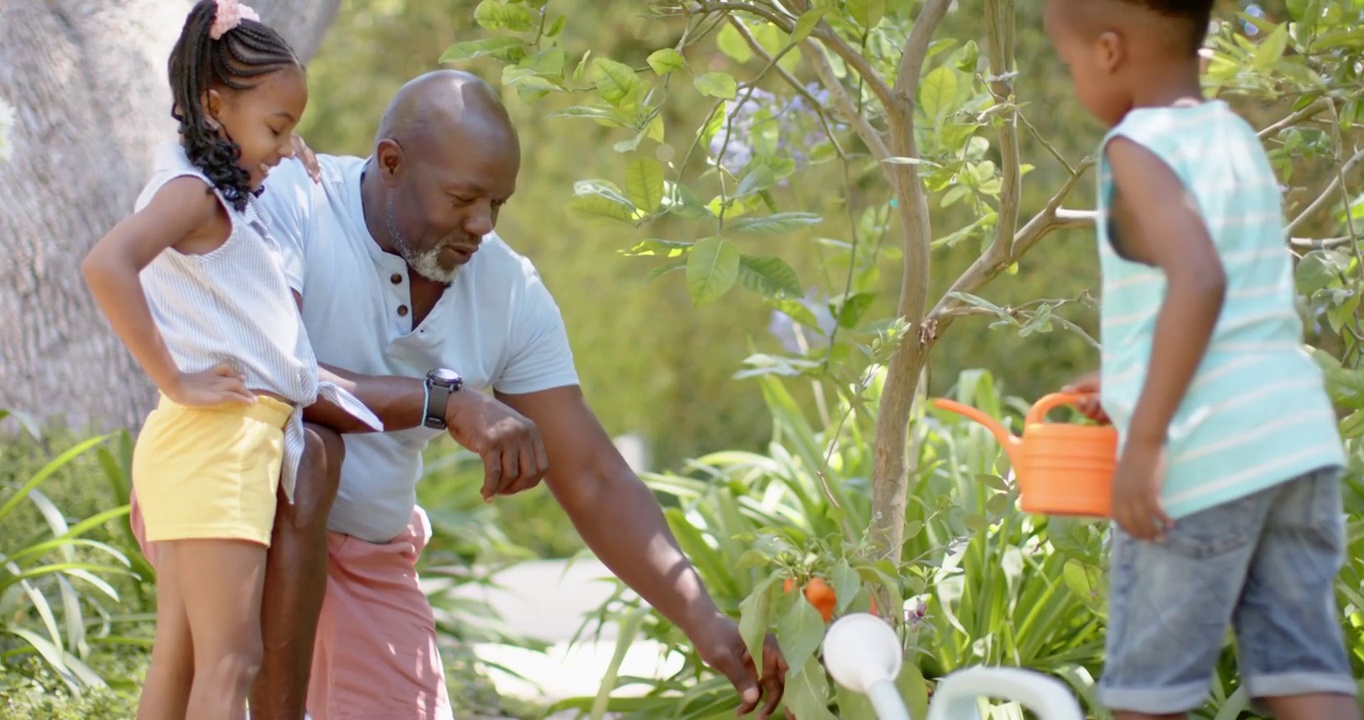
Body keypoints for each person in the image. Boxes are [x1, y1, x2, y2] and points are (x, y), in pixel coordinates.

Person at [132, 68, 788, 720]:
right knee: (314, 456)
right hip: (236, 508)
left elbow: (593, 477)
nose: (481, 224)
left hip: (367, 550)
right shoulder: (293, 202)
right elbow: (268, 376)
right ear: (390, 162)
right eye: (463, 198)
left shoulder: (508, 289)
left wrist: (707, 623)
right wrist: (447, 402)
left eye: (497, 204)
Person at [1043, 2, 1360, 720]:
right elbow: (1233, 298)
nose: (1072, 82)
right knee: (1301, 669)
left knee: (1147, 695)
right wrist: (1126, 378)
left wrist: (1147, 438)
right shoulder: (1234, 136)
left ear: (1110, 50)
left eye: (1068, 65)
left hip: (1201, 453)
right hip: (1291, 444)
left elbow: (1200, 278)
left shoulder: (1138, 146)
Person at [82, 2, 381, 718]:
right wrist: (173, 379)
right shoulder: (191, 192)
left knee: (184, 661)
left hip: (213, 443)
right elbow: (106, 265)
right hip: (217, 442)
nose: (284, 145)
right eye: (276, 128)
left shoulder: (211, 182)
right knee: (232, 657)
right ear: (215, 103)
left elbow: (246, 217)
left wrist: (284, 154)